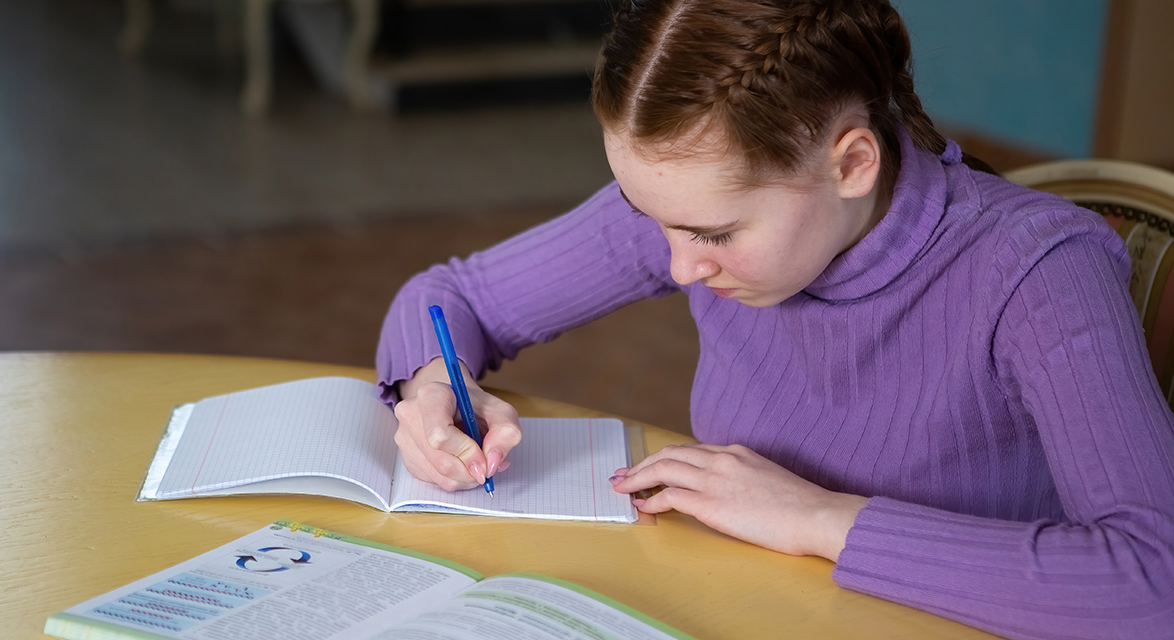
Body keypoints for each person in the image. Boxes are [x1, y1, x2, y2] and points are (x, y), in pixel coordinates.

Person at [374, 0, 1174, 637]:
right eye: (651, 217)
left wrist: (817, 518)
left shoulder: (1038, 270)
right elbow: (451, 297)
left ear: (852, 164)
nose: (679, 265)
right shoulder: (689, 207)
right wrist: (434, 385)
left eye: (717, 235)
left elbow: (1152, 581)